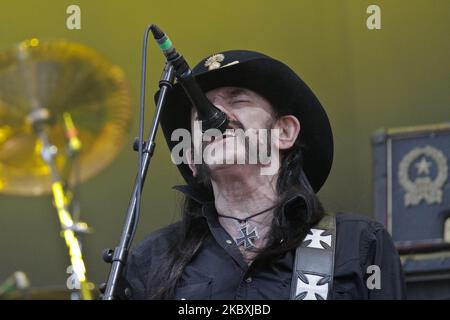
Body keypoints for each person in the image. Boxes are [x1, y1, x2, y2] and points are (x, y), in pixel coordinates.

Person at [120, 50, 406, 300]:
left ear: (284, 132)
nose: (215, 114)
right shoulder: (151, 261)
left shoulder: (360, 244)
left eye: (238, 100)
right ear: (191, 157)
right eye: (200, 113)